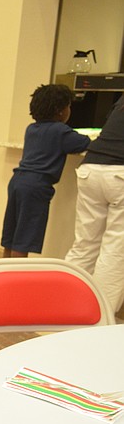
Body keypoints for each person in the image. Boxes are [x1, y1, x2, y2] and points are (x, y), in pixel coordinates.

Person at [0, 84, 91, 257]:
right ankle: (16, 281)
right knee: (24, 238)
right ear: (60, 111)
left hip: (18, 181)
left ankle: (2, 273)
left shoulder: (31, 128)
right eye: (68, 106)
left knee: (11, 235)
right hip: (36, 186)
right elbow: (86, 143)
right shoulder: (61, 131)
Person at [65, 94, 124, 313]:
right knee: (115, 251)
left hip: (91, 169)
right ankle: (100, 317)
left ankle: (64, 305)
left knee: (84, 244)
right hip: (120, 173)